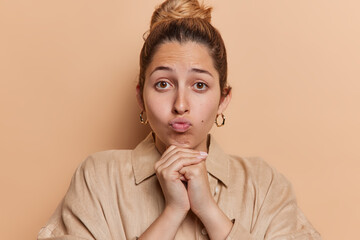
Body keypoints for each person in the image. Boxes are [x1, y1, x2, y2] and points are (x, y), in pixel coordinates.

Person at [38, 0, 321, 239]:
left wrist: (209, 210)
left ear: (223, 98)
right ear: (140, 97)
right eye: (163, 84)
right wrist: (172, 213)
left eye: (199, 85)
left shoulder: (264, 183)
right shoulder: (97, 178)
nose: (181, 105)